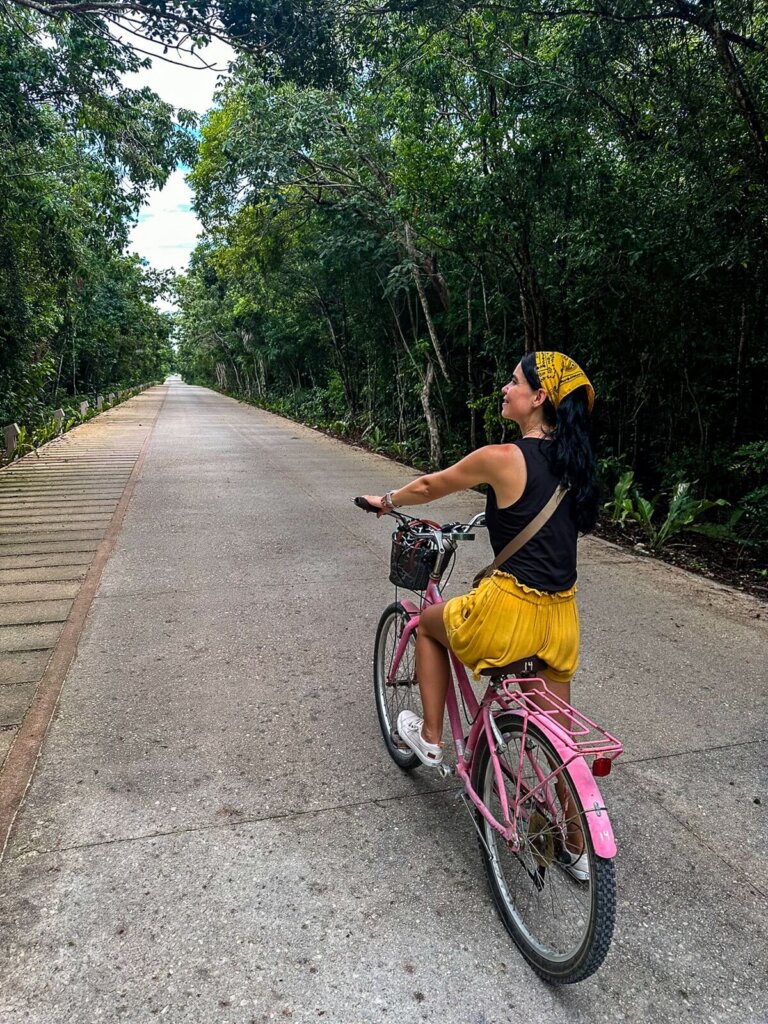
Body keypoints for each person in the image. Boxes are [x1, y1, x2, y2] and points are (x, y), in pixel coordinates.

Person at [361, 350, 598, 879]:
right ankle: (578, 847)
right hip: (560, 620)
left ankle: (430, 736)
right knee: (559, 735)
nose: (505, 388)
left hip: (507, 613)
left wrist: (387, 500)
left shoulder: (502, 457)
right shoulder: (574, 461)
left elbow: (430, 485)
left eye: (515, 383)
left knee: (427, 625)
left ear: (540, 398)